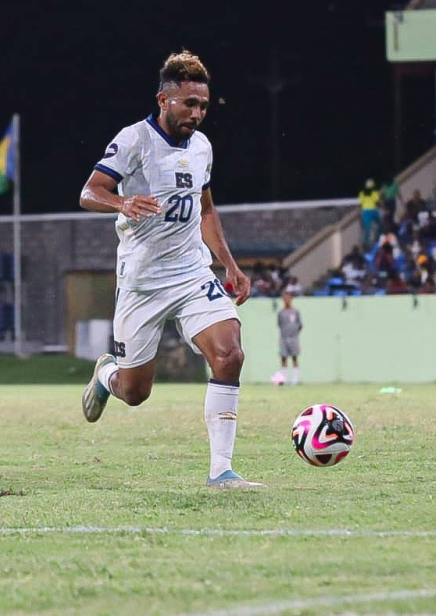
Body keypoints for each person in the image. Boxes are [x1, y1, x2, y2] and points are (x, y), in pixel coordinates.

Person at [78, 50, 261, 488]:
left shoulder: (202, 148)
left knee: (229, 353)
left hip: (192, 273)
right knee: (136, 393)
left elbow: (206, 209)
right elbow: (89, 191)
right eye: (189, 104)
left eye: (202, 105)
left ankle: (222, 471)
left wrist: (229, 266)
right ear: (164, 100)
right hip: (142, 282)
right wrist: (122, 201)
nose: (197, 113)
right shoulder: (134, 140)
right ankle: (107, 374)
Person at [276, 291, 303, 385]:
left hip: (294, 338)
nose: (286, 300)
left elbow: (300, 325)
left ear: (291, 299)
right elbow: (279, 324)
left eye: (288, 298)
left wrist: (294, 333)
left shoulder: (295, 311)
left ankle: (295, 380)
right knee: (283, 358)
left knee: (295, 357)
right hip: (283, 338)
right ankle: (283, 380)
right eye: (285, 298)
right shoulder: (281, 312)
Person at [358, 179, 381, 247]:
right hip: (373, 211)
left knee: (367, 228)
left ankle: (366, 242)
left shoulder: (362, 193)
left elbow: (361, 204)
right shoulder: (375, 192)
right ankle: (378, 237)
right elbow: (377, 202)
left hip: (365, 212)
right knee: (379, 224)